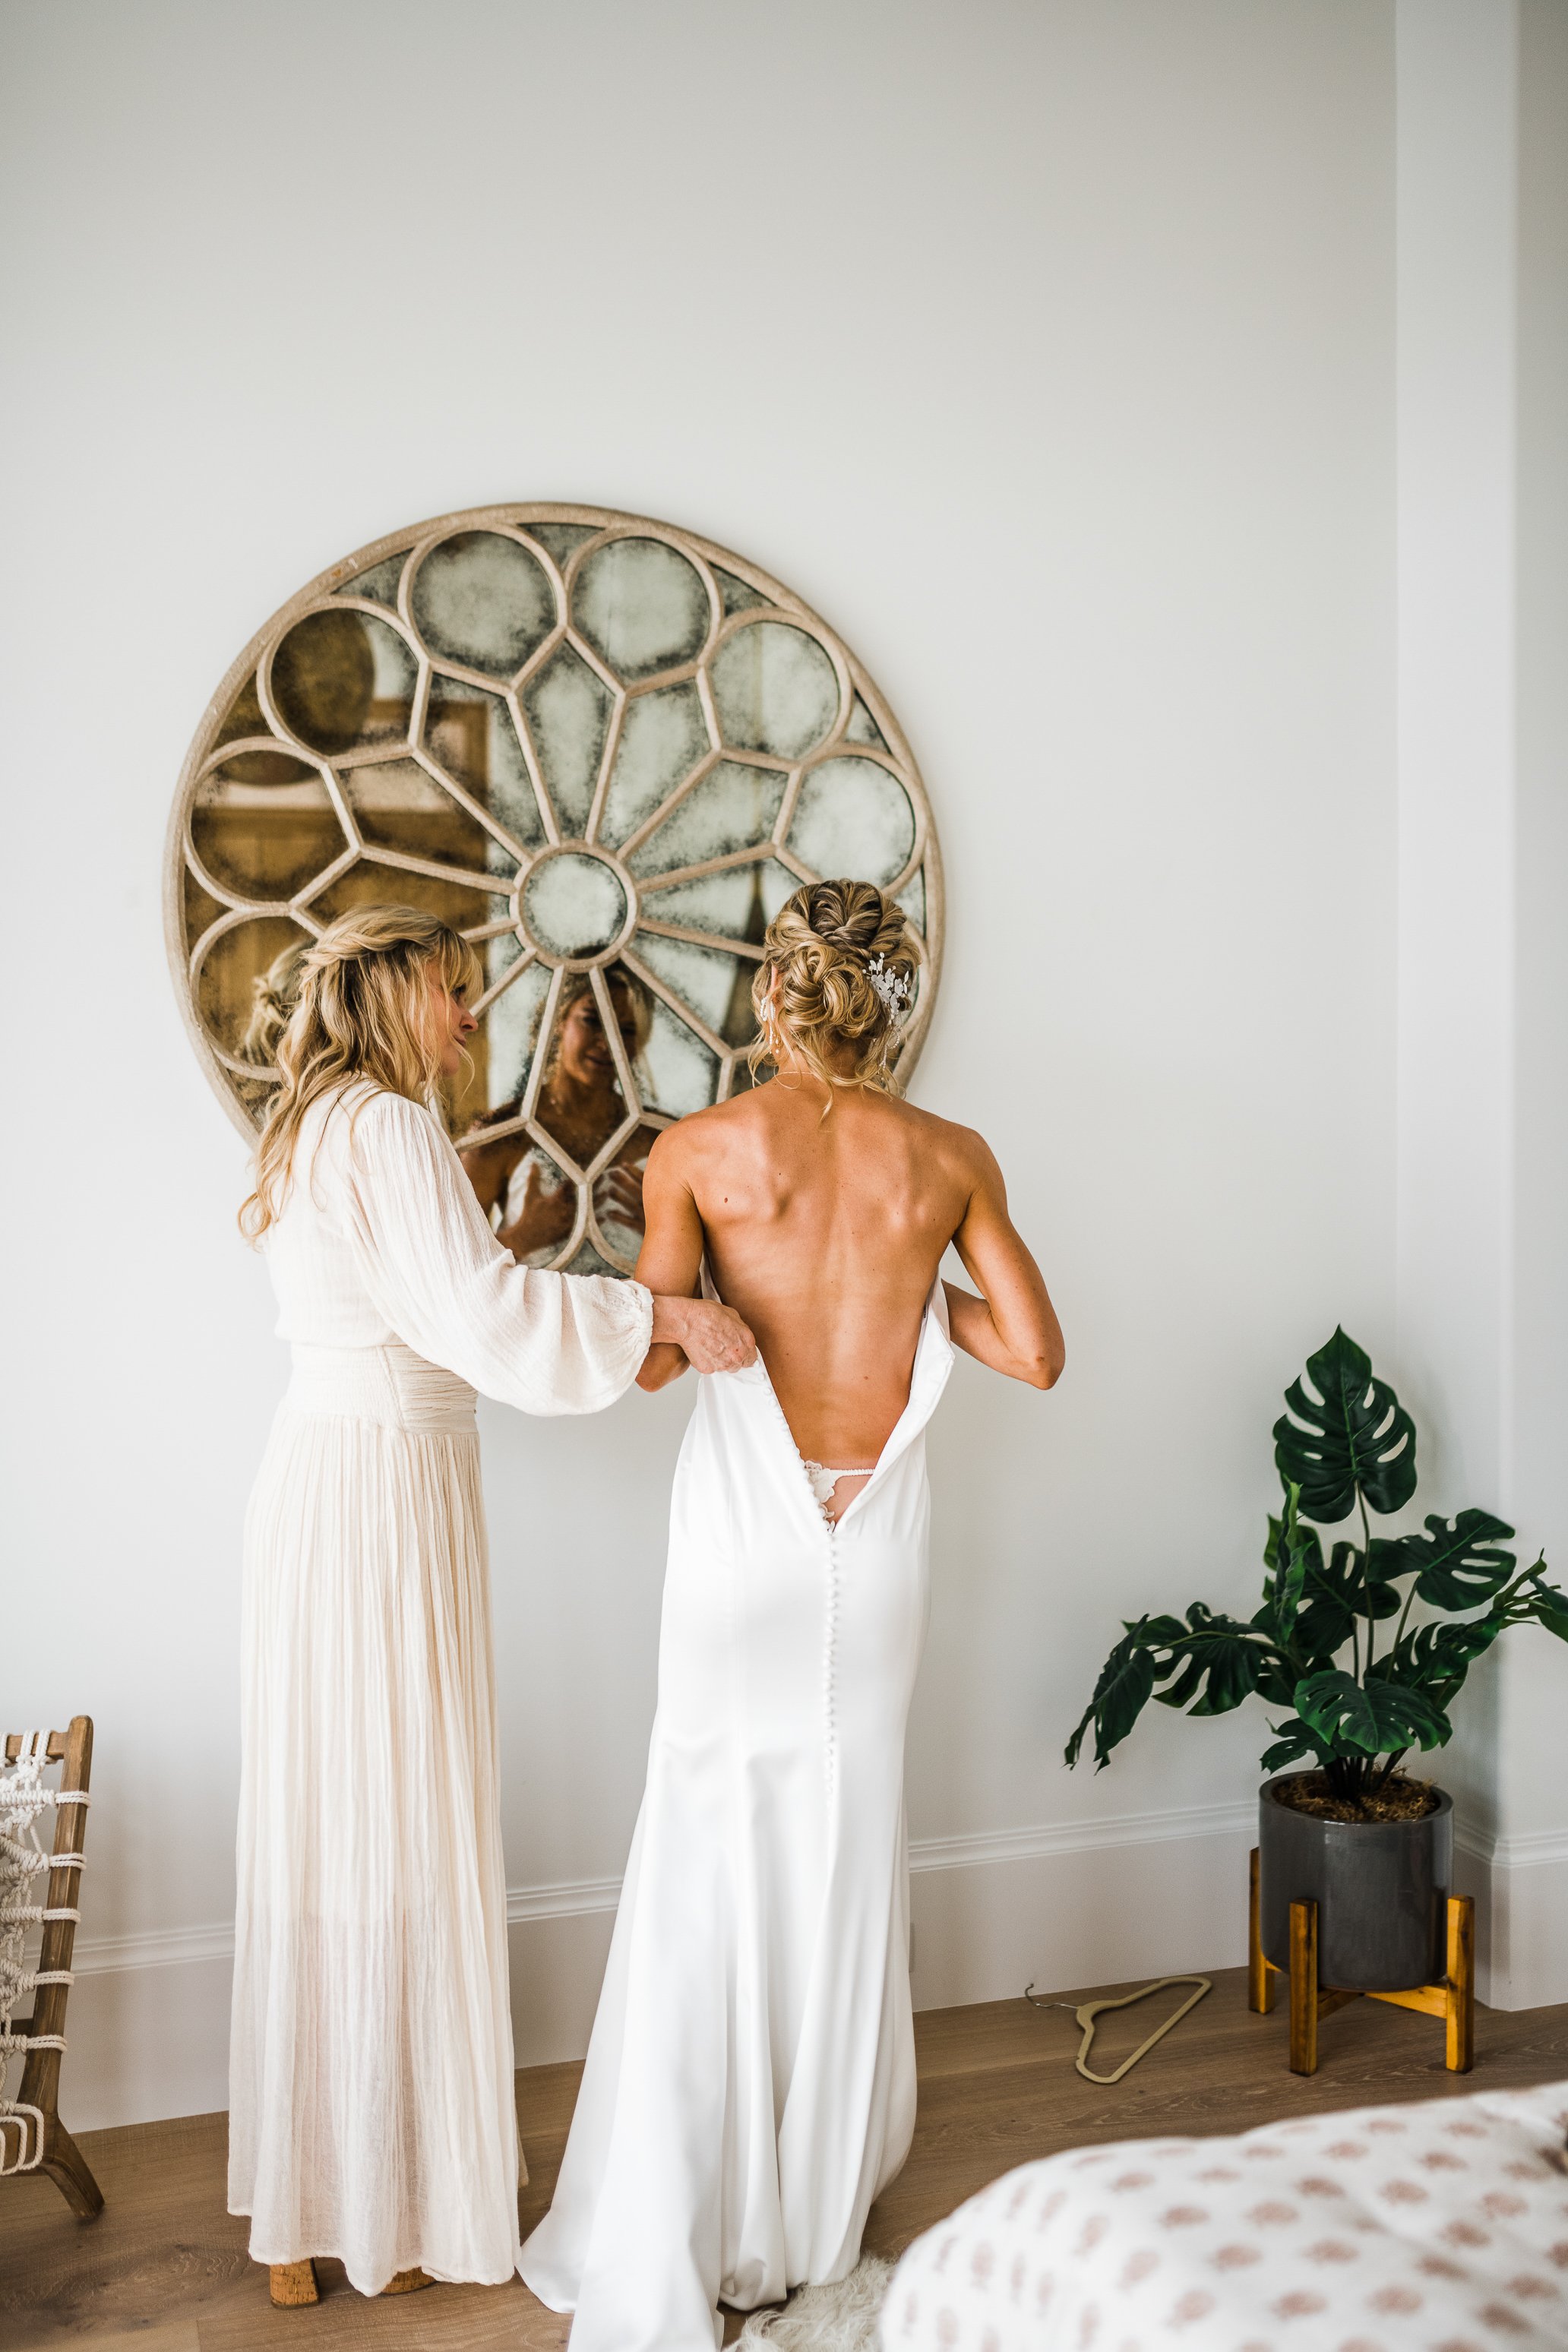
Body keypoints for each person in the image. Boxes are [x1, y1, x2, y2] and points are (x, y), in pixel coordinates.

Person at [520, 880, 1063, 2350]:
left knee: (705, 1842)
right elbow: (1034, 1351)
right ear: (884, 1002)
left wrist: (716, 1303)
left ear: (774, 992)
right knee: (844, 1833)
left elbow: (653, 1359)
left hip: (739, 1544)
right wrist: (910, 1300)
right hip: (870, 1543)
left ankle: (684, 2203)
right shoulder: (948, 1157)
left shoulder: (697, 1151)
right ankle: (811, 2218)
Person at [229, 906, 754, 2309]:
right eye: (453, 991)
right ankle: (386, 2207)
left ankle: (302, 2214)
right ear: (393, 992)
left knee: (328, 1827)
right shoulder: (391, 1128)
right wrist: (664, 1317)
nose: (472, 1017)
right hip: (385, 1490)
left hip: (320, 1482)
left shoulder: (307, 1125)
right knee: (396, 1823)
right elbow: (481, 1313)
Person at [460, 968, 655, 1267]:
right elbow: (453, 1266)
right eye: (592, 1020)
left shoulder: (655, 1136)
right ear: (559, 1019)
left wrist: (662, 1231)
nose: (608, 1043)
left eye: (626, 1031)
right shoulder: (504, 1133)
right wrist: (522, 1237)